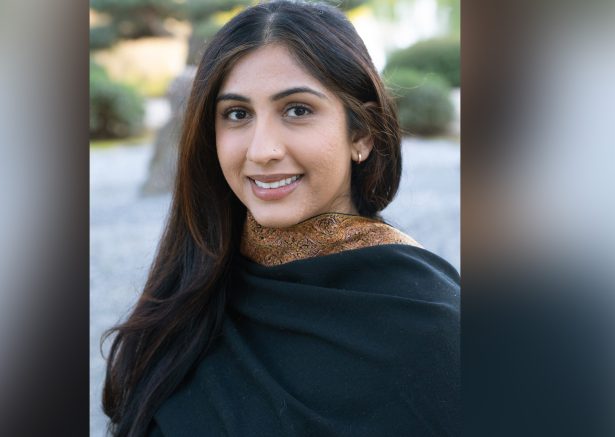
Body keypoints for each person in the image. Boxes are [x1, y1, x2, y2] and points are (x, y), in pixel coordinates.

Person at [102, 1, 460, 436]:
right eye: (237, 114)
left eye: (297, 110)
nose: (262, 150)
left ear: (362, 133)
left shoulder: (434, 326)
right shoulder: (185, 298)